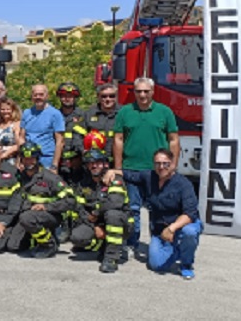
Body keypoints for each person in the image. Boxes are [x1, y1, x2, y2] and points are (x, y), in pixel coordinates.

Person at [113, 77, 179, 255]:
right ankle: (132, 243)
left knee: (155, 208)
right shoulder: (125, 112)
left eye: (146, 91)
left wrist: (172, 166)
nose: (142, 95)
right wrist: (118, 167)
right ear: (134, 92)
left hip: (157, 171)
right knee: (133, 208)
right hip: (131, 168)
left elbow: (173, 140)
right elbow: (118, 140)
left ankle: (155, 244)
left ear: (153, 91)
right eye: (138, 91)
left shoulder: (165, 112)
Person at [141, 149, 202, 280]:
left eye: (165, 163)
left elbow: (190, 213)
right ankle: (177, 249)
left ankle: (186, 264)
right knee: (157, 266)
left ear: (173, 163)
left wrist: (172, 228)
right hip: (160, 231)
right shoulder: (149, 177)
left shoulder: (184, 184)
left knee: (190, 232)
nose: (161, 167)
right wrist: (113, 171)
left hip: (181, 226)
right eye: (157, 163)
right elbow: (130, 175)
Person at [9, 142, 75, 258]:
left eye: (32, 159)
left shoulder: (50, 178)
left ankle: (49, 245)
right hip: (29, 216)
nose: (28, 162)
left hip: (51, 215)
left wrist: (46, 207)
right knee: (13, 246)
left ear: (38, 158)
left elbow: (70, 201)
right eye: (25, 159)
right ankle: (37, 238)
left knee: (27, 218)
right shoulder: (20, 177)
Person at [70, 149, 130, 273]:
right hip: (95, 223)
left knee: (113, 214)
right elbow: (79, 208)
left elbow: (115, 202)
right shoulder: (84, 184)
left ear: (105, 164)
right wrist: (94, 225)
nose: (94, 165)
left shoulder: (115, 180)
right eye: (90, 163)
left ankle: (111, 258)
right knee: (77, 237)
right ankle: (103, 247)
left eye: (97, 162)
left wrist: (96, 213)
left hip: (120, 225)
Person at [20, 84, 65, 172]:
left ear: (47, 96)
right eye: (35, 95)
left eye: (41, 94)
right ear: (32, 97)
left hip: (46, 160)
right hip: (28, 160)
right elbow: (21, 137)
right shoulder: (26, 113)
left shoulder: (55, 114)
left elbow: (60, 141)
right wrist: (20, 159)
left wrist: (54, 165)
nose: (38, 97)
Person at [0, 98, 24, 163]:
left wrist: (5, 154)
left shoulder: (16, 124)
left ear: (13, 110)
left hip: (10, 159)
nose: (5, 111)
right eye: (3, 109)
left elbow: (19, 144)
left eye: (8, 109)